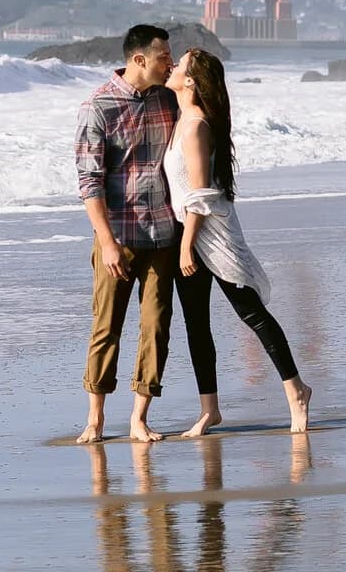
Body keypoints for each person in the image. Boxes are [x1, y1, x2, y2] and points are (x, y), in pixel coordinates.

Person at [165, 48, 312, 436]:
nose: (172, 67)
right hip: (187, 231)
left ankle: (296, 391)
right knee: (196, 324)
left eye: (178, 65)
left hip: (210, 234)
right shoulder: (181, 117)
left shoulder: (196, 125)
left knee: (251, 313)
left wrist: (186, 245)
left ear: (191, 81)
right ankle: (209, 410)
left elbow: (199, 193)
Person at [75, 24, 180, 444]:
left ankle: (139, 418)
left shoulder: (168, 99)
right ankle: (95, 420)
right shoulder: (97, 107)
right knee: (107, 327)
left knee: (156, 326)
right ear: (139, 60)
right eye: (163, 58)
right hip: (116, 236)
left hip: (163, 235)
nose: (169, 63)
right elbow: (90, 182)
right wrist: (106, 242)